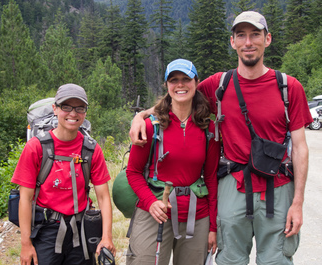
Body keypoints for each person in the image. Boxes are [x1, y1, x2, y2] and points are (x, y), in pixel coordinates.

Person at [129, 11, 313, 265]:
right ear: (232, 42)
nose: (248, 42)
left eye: (255, 35)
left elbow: (301, 148)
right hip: (233, 187)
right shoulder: (219, 85)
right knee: (230, 260)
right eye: (241, 36)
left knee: (277, 260)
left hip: (278, 188)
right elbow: (179, 96)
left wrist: (298, 203)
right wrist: (141, 117)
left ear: (267, 39)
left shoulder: (288, 87)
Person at [125, 59, 220, 265]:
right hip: (155, 210)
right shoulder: (151, 127)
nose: (180, 85)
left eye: (186, 79)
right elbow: (133, 172)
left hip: (197, 215)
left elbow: (211, 178)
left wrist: (213, 227)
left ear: (196, 82)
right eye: (174, 80)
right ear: (166, 86)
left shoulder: (209, 130)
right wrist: (150, 203)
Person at [11, 84, 116, 265]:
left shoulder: (91, 149)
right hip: (46, 231)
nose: (73, 113)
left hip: (81, 231)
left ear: (85, 112)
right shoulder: (36, 148)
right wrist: (25, 244)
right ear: (55, 109)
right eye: (66, 107)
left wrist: (106, 237)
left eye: (79, 108)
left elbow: (103, 197)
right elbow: (25, 199)